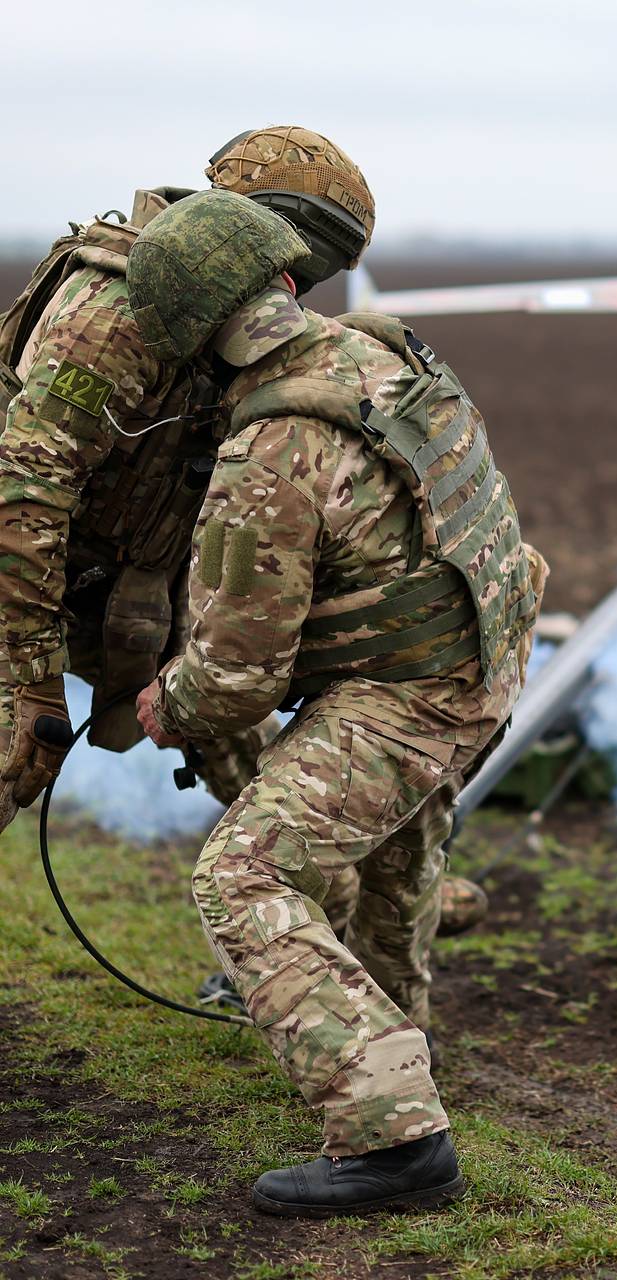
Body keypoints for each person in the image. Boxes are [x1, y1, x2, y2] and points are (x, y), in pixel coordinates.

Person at [130, 189, 546, 1215]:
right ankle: (390, 1038)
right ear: (281, 278)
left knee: (244, 871)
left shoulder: (268, 448)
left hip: (406, 697)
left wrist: (166, 702)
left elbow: (237, 675)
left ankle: (395, 1139)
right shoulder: (382, 354)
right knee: (395, 848)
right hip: (488, 659)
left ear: (191, 333)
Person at [0, 127, 488, 956]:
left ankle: (319, 909)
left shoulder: (216, 307)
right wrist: (29, 678)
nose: (300, 291)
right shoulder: (113, 316)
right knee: (17, 752)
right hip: (33, 578)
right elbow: (23, 494)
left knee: (230, 721)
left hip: (133, 579)